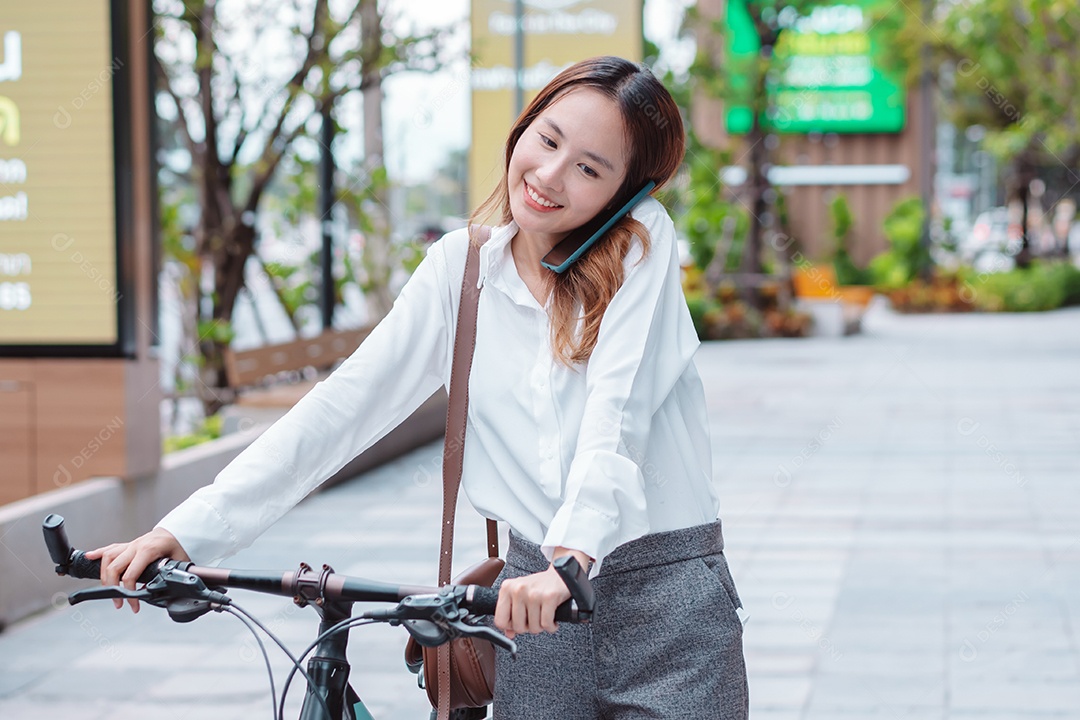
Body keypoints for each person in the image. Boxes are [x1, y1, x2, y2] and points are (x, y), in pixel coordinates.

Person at [90, 56, 749, 718]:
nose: (550, 176)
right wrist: (185, 532)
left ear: (627, 193)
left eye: (590, 168)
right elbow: (341, 408)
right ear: (523, 130)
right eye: (547, 141)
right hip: (528, 607)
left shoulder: (641, 247)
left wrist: (570, 561)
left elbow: (619, 412)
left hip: (667, 603)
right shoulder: (458, 272)